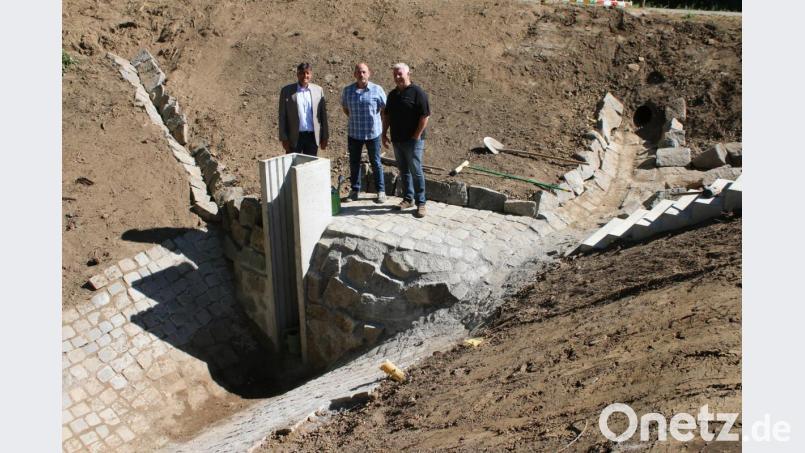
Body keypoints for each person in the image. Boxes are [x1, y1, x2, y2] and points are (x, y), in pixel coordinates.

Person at [382, 63, 430, 218]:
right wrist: (384, 133)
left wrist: (416, 135)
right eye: (395, 74)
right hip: (397, 140)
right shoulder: (392, 95)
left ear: (408, 73)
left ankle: (421, 202)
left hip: (413, 141)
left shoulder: (417, 92)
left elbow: (425, 116)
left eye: (400, 74)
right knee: (404, 171)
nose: (397, 77)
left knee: (416, 171)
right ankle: (408, 199)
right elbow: (387, 115)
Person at [341, 63, 387, 203]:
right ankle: (355, 190)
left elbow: (384, 109)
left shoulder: (377, 90)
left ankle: (381, 191)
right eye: (358, 72)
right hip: (354, 133)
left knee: (376, 162)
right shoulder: (347, 91)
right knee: (354, 162)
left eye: (364, 72)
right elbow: (345, 108)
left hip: (373, 134)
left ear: (369, 73)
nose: (361, 75)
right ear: (354, 74)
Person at [278, 62, 329, 156]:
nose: (305, 76)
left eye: (307, 73)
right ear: (297, 74)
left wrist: (325, 137)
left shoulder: (318, 90)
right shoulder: (286, 91)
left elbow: (323, 116)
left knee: (309, 167)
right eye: (302, 73)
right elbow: (282, 116)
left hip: (312, 137)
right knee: (292, 166)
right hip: (294, 137)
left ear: (311, 74)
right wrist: (283, 138)